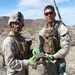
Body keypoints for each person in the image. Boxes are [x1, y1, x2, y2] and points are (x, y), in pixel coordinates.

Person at [39, 5, 70, 75]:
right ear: (44, 16)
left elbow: (65, 49)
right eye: (46, 14)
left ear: (55, 14)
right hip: (47, 64)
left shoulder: (62, 29)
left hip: (58, 62)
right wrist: (41, 55)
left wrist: (53, 57)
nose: (49, 15)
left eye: (51, 13)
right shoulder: (42, 32)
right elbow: (41, 46)